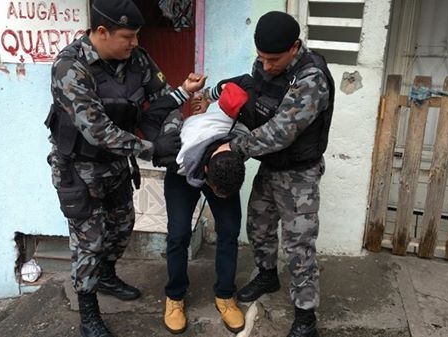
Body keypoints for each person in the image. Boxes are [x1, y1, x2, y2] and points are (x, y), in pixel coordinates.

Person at [43, 0, 205, 336]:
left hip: (116, 165)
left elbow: (163, 101)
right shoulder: (70, 67)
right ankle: (88, 312)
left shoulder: (138, 59)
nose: (134, 43)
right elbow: (96, 130)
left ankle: (106, 275)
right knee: (88, 242)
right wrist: (150, 148)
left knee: (121, 225)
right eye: (127, 36)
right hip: (79, 168)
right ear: (102, 32)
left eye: (136, 36)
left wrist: (172, 134)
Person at [197, 11, 335, 337]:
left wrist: (235, 149)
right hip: (270, 167)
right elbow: (253, 96)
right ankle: (267, 274)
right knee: (258, 227)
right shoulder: (266, 66)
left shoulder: (311, 78)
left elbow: (281, 132)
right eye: (261, 58)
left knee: (299, 246)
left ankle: (305, 318)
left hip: (299, 175)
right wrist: (215, 104)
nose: (266, 65)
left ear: (294, 47)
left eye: (273, 59)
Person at [154, 82, 252, 334]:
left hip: (222, 162)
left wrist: (210, 96)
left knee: (229, 231)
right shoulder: (181, 154)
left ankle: (225, 295)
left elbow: (239, 84)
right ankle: (175, 296)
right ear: (207, 171)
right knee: (178, 234)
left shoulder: (243, 140)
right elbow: (165, 128)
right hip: (183, 171)